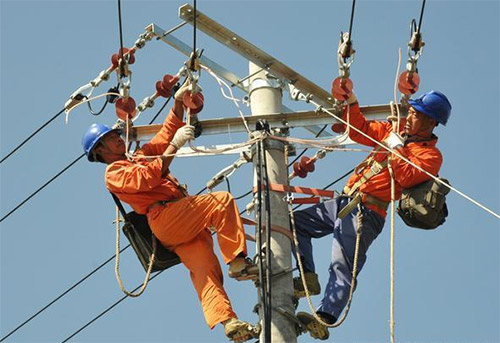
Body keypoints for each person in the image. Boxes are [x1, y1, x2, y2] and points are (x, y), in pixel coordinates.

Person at [81, 85, 259, 342]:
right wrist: (175, 145)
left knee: (205, 271)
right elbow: (148, 178)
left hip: (181, 222)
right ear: (100, 151)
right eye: (110, 138)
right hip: (166, 218)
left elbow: (164, 136)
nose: (118, 137)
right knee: (220, 202)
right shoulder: (113, 173)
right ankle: (238, 262)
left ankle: (228, 322)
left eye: (115, 134)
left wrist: (177, 103)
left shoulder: (138, 156)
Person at [293, 90, 452, 340]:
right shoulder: (394, 131)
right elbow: (359, 129)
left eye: (416, 113)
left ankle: (326, 318)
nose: (409, 115)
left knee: (342, 264)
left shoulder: (430, 156)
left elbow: (407, 177)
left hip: (368, 211)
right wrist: (351, 100)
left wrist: (398, 149)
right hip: (346, 200)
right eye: (410, 111)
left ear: (431, 122)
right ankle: (306, 277)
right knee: (295, 224)